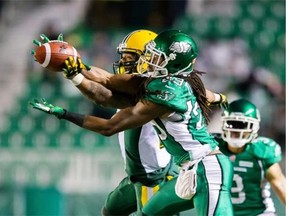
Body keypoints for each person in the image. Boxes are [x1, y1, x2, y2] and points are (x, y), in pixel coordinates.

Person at [30, 29, 233, 216]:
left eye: (156, 56)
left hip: (198, 169)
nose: (150, 60)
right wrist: (77, 68)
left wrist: (64, 114)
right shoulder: (160, 83)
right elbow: (108, 81)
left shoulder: (165, 95)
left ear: (174, 64)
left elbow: (108, 126)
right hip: (187, 169)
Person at [214, 98, 286, 216]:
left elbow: (281, 185)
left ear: (254, 127)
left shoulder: (262, 152)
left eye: (242, 124)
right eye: (231, 123)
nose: (236, 130)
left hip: (258, 213)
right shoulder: (212, 147)